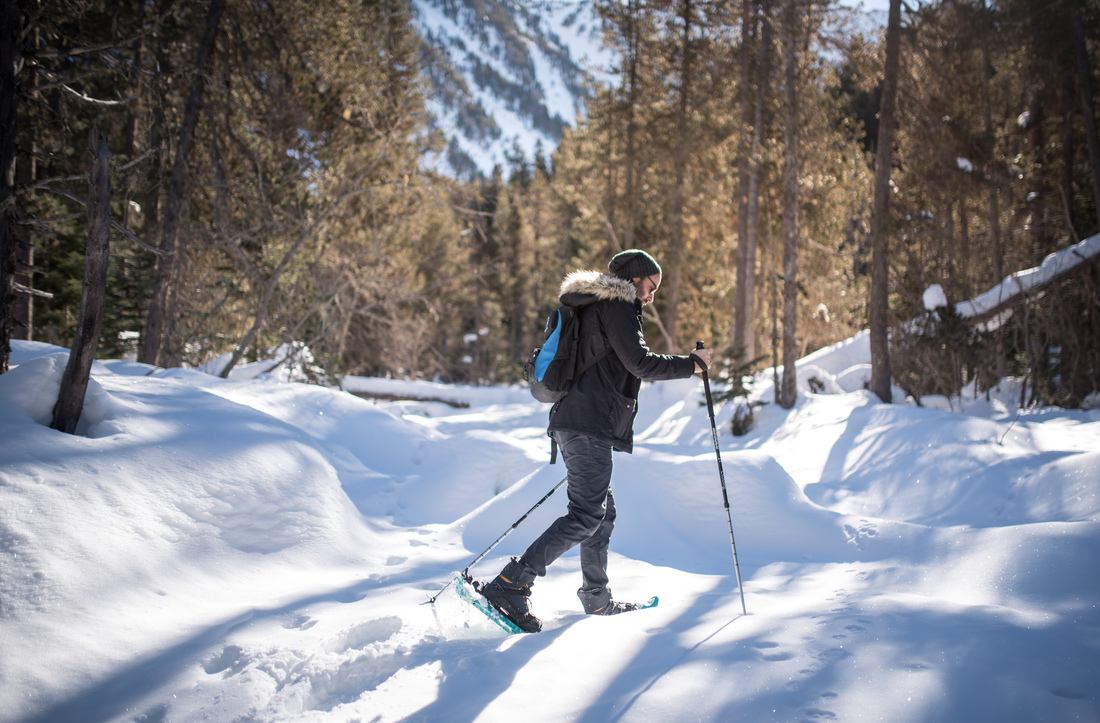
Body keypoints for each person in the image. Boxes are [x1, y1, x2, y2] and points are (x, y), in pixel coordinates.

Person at [480, 249, 711, 632]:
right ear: (635, 278)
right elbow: (640, 362)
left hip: (577, 421)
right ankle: (512, 583)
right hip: (586, 423)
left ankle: (597, 598)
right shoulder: (617, 305)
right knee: (587, 514)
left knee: (602, 510)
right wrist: (692, 365)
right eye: (651, 287)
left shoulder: (591, 306)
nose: (651, 297)